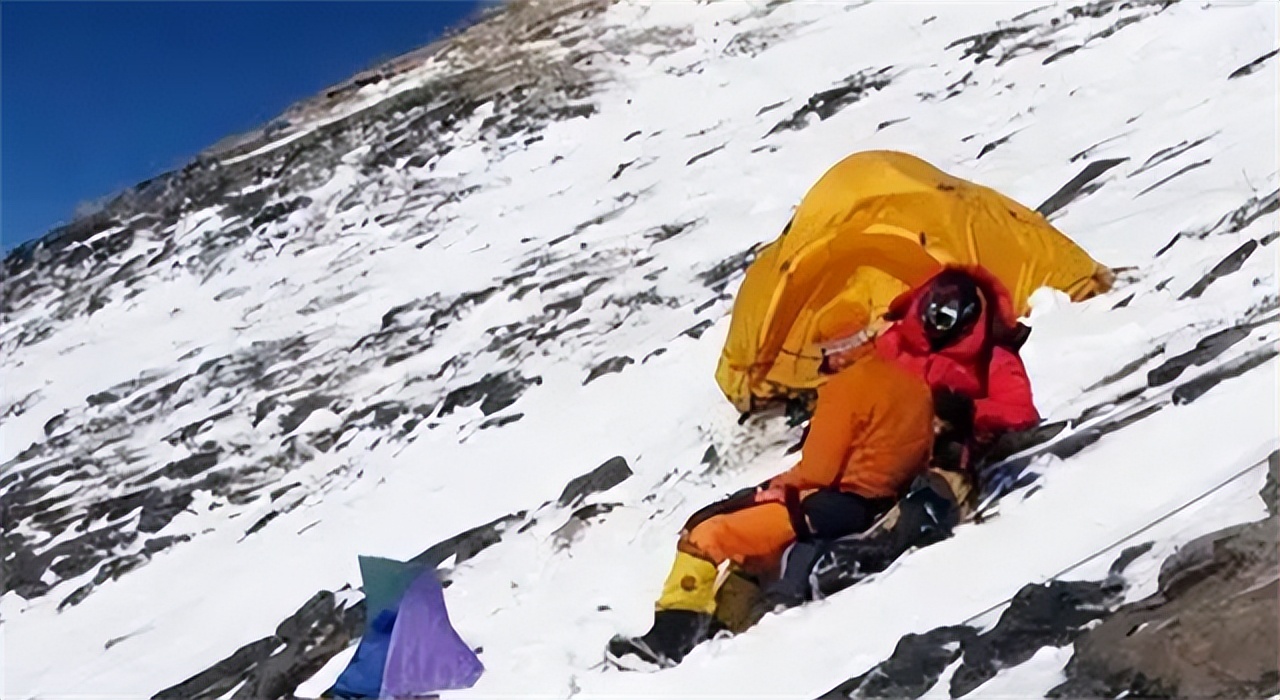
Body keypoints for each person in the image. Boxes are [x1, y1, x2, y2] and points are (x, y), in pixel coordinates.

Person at [606, 303, 937, 669]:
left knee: (708, 534)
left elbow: (818, 471)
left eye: (825, 351)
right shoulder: (909, 375)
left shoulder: (845, 388)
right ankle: (721, 627)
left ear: (840, 348)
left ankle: (669, 642)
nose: (823, 360)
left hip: (837, 505)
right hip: (883, 499)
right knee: (756, 546)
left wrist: (772, 488)